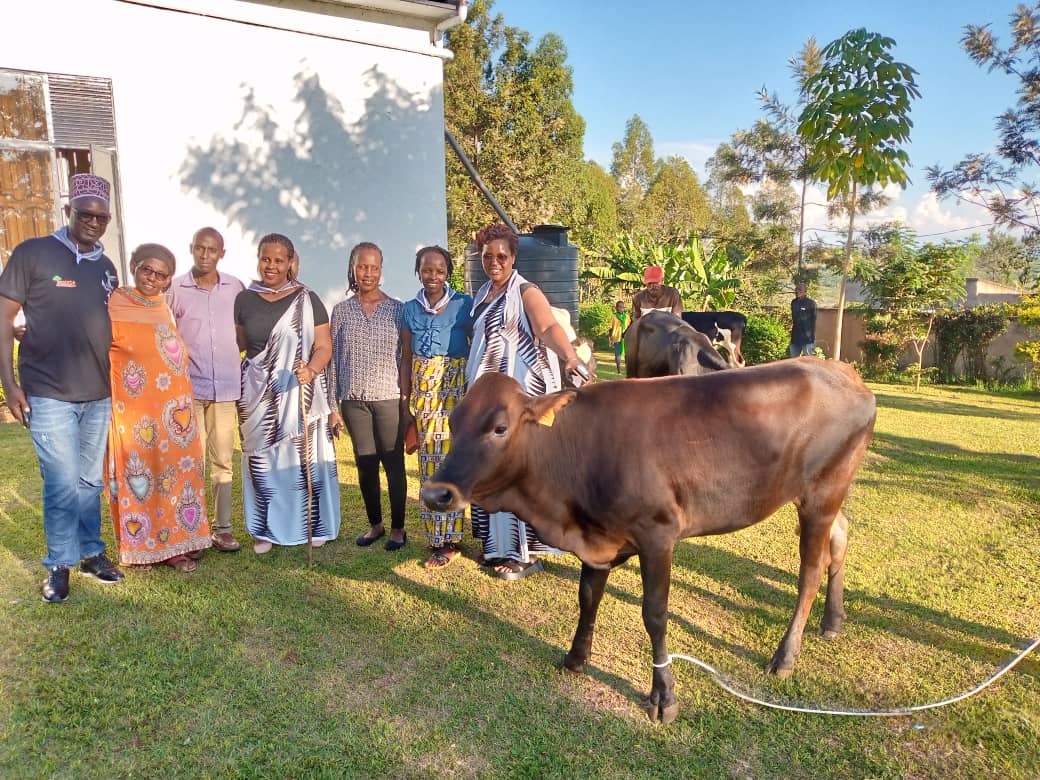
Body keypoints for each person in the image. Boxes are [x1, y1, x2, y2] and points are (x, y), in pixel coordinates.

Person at [0, 173, 124, 602]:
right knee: (61, 481)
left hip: (98, 393)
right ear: (68, 210)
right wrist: (9, 384)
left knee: (90, 481)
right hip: (48, 391)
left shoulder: (107, 268)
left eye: (101, 217)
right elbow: (4, 319)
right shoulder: (33, 253)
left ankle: (91, 552)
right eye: (85, 214)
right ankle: (59, 563)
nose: (93, 222)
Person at [468, 223, 589, 580]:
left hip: (519, 397)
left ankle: (527, 553)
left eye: (501, 256)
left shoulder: (526, 291)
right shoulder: (482, 293)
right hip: (488, 402)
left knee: (521, 472)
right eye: (487, 256)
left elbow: (548, 328)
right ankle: (498, 545)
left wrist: (570, 357)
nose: (494, 262)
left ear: (513, 257)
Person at [106, 244, 212, 572]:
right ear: (133, 267)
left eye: (161, 275)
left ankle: (177, 545)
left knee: (175, 476)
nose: (152, 278)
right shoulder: (115, 302)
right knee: (138, 474)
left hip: (174, 412)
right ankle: (141, 548)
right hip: (132, 410)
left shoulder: (164, 307)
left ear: (168, 280)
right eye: (147, 270)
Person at [234, 234, 340, 553]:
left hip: (298, 390)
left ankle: (313, 525)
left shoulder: (307, 299)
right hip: (257, 393)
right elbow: (238, 346)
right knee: (261, 461)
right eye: (266, 259)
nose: (271, 266)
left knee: (303, 461)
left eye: (279, 260)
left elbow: (324, 347)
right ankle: (264, 530)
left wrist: (311, 370)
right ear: (258, 259)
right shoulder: (244, 299)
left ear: (290, 262)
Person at [167, 228, 245, 552]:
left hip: (226, 389)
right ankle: (193, 531)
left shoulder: (235, 287)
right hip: (189, 389)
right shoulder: (175, 289)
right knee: (191, 461)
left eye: (212, 250)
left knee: (223, 461)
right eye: (200, 248)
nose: (205, 255)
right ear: (192, 248)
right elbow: (163, 333)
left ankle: (222, 529)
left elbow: (244, 331)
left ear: (221, 253)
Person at [330, 242, 408, 552]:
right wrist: (333, 406)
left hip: (388, 398)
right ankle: (375, 524)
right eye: (362, 266)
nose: (368, 273)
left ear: (381, 270)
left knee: (393, 463)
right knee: (365, 463)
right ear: (353, 268)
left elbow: (405, 357)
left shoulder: (398, 310)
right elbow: (333, 361)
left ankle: (398, 528)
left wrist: (406, 400)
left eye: (374, 267)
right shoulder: (341, 311)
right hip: (353, 401)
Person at [399, 246, 472, 568]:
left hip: (454, 394)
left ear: (448, 273)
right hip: (423, 396)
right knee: (428, 467)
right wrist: (406, 399)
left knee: (451, 466)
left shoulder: (463, 305)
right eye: (427, 270)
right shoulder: (409, 310)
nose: (433, 276)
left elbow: (476, 346)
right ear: (418, 272)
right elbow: (406, 357)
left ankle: (452, 540)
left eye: (439, 270)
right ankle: (435, 537)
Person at [790, 282, 817, 357]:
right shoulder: (793, 302)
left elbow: (814, 320)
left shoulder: (811, 303)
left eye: (800, 290)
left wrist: (812, 337)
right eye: (796, 289)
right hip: (795, 337)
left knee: (809, 360)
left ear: (805, 292)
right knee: (794, 360)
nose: (797, 291)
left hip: (807, 339)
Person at [607, 299, 630, 374]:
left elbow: (629, 326)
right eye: (619, 307)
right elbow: (610, 329)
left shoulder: (627, 317)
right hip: (616, 338)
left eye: (622, 307)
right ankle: (619, 370)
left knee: (627, 355)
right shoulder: (613, 317)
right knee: (618, 355)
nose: (621, 308)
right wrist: (609, 339)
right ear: (616, 308)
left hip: (626, 338)